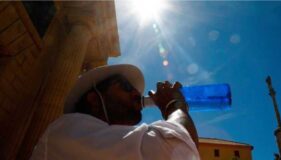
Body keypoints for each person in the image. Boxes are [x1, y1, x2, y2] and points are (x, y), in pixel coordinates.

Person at [31, 64, 200, 160]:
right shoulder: (67, 128)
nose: (136, 94)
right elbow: (173, 148)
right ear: (95, 99)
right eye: (126, 87)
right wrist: (175, 104)